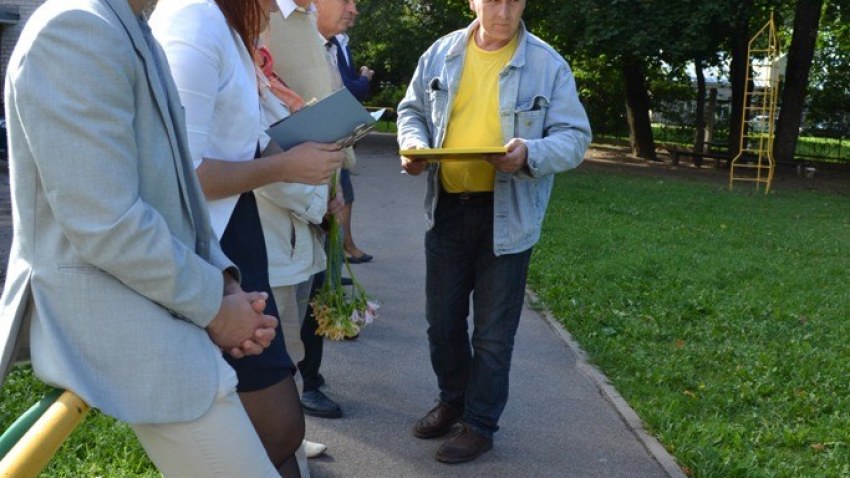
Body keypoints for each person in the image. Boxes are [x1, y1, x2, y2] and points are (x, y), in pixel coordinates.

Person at [0, 0, 287, 475]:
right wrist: (216, 308)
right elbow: (107, 223)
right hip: (114, 315)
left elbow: (173, 193)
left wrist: (225, 285)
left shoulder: (126, 23)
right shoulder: (78, 27)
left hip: (151, 298)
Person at [150, 0, 344, 475]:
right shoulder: (195, 19)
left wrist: (305, 149)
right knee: (276, 427)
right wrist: (286, 166)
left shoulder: (229, 25)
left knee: (278, 429)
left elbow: (241, 139)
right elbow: (181, 176)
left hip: (233, 239)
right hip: (207, 252)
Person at [396, 0, 592, 464]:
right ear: (472, 2)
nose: (503, 11)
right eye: (492, 0)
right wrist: (413, 144)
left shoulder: (547, 64)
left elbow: (575, 138)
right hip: (447, 209)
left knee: (492, 335)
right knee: (442, 323)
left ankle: (480, 425)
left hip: (507, 215)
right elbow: (411, 110)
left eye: (513, 0)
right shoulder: (441, 53)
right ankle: (453, 400)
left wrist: (529, 153)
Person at [264, 0, 349, 419]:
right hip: (279, 213)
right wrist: (318, 203)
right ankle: (285, 428)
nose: (352, 9)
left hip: (309, 200)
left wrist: (332, 187)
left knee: (296, 325)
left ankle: (293, 425)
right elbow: (259, 153)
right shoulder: (257, 25)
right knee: (274, 343)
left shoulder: (306, 25)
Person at [328, 24, 373, 264]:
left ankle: (341, 255)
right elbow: (349, 89)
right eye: (346, 5)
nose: (353, 10)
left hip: (341, 132)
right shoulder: (330, 43)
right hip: (332, 132)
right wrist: (365, 78)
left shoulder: (341, 42)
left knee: (344, 193)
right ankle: (343, 251)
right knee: (341, 195)